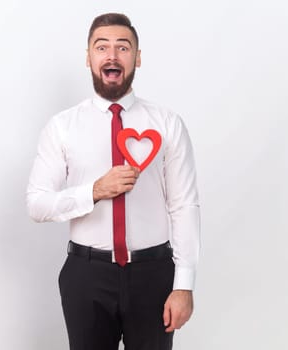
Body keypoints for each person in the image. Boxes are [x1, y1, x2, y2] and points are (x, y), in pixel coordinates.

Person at [26, 13, 200, 350]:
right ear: (88, 57)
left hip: (153, 275)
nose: (112, 55)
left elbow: (184, 205)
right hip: (86, 274)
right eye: (101, 46)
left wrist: (184, 284)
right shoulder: (62, 127)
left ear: (137, 57)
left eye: (123, 47)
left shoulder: (167, 124)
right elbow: (37, 202)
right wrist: (93, 191)